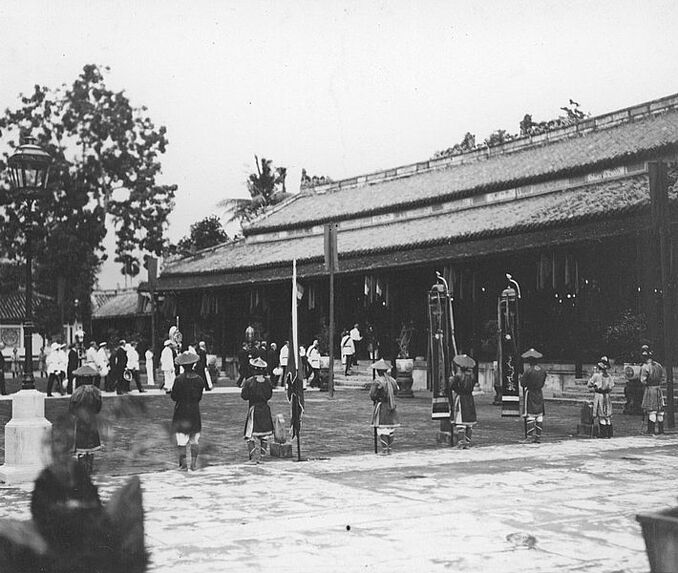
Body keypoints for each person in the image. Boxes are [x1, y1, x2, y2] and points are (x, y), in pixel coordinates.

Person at [171, 350, 205, 471]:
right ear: (193, 364)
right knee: (194, 440)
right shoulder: (200, 380)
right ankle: (194, 464)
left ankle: (183, 465)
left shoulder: (179, 380)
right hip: (194, 411)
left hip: (182, 411)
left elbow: (174, 397)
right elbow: (199, 397)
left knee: (181, 440)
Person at [69, 364, 103, 475]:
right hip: (92, 421)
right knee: (91, 447)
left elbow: (72, 409)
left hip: (81, 422)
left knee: (81, 446)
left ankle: (82, 470)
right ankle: (89, 469)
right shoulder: (97, 392)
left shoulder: (77, 393)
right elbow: (98, 408)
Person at [241, 357, 274, 464]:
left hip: (254, 409)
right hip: (265, 408)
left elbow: (244, 396)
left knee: (250, 435)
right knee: (264, 435)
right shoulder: (268, 381)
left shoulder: (249, 382)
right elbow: (269, 395)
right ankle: (262, 457)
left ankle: (254, 458)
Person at [447, 354, 478, 449]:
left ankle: (461, 442)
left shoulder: (457, 377)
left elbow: (451, 387)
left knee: (461, 422)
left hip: (461, 399)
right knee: (469, 423)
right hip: (470, 399)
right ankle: (467, 442)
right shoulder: (472, 377)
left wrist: (451, 381)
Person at [369, 358, 400, 455]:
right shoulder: (392, 381)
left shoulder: (378, 382)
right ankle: (389, 448)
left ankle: (384, 450)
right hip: (391, 405)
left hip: (382, 406)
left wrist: (376, 398)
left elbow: (372, 394)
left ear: (378, 371)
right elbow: (396, 391)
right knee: (390, 428)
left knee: (382, 428)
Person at [520, 348, 547, 443]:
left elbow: (523, 384)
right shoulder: (543, 371)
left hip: (530, 393)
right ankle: (538, 437)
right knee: (539, 415)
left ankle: (530, 437)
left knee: (530, 415)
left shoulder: (528, 371)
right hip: (539, 393)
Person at [640, 345, 666, 435]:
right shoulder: (659, 365)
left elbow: (643, 380)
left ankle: (651, 431)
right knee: (660, 411)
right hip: (658, 389)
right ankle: (661, 430)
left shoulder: (645, 367)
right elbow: (663, 378)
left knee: (652, 410)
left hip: (650, 389)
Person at [588, 356, 615, 438]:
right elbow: (612, 386)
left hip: (599, 395)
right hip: (607, 396)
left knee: (601, 414)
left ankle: (603, 433)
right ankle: (609, 433)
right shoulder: (609, 376)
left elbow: (589, 384)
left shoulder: (596, 375)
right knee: (607, 415)